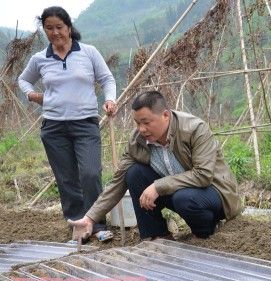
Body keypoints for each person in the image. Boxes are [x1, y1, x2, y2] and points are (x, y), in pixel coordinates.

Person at [69, 90, 243, 241]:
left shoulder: (194, 129)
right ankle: (157, 235)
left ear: (165, 115)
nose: (142, 129)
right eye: (137, 123)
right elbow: (117, 182)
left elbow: (203, 175)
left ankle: (205, 233)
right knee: (134, 173)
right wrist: (90, 218)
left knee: (184, 198)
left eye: (146, 122)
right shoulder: (138, 140)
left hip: (214, 194)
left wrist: (158, 186)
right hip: (178, 192)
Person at [18, 6, 117, 241]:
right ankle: (77, 223)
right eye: (49, 28)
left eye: (59, 27)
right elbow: (23, 79)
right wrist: (32, 95)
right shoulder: (40, 59)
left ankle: (98, 223)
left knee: (91, 173)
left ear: (69, 27)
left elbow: (106, 78)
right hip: (54, 127)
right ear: (44, 30)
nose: (55, 32)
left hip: (85, 123)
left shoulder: (88, 52)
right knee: (66, 178)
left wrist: (110, 99)